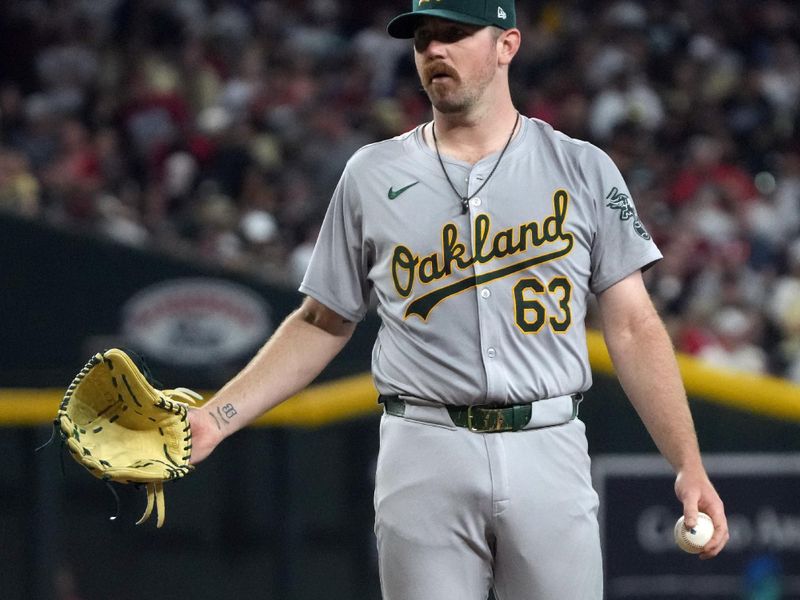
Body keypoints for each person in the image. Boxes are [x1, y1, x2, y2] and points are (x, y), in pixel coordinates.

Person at [188, 1, 729, 597]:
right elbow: (322, 320)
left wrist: (687, 462)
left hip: (546, 440)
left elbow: (631, 326)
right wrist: (217, 416)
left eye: (454, 34)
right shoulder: (372, 173)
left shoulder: (582, 168)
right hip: (423, 446)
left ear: (507, 45)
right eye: (423, 39)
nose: (434, 51)